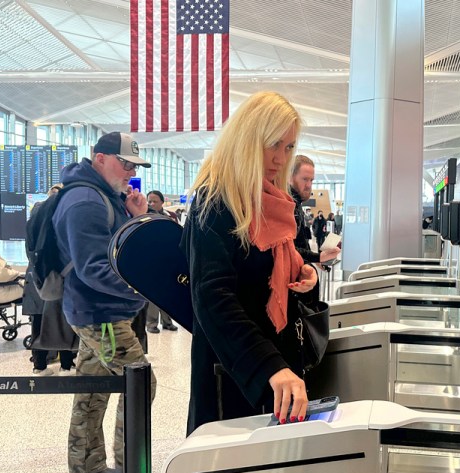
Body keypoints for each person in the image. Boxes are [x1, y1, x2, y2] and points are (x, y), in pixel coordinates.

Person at [182, 91, 319, 434]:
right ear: (248, 138)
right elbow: (212, 297)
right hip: (236, 370)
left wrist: (306, 273)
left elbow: (288, 259)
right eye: (273, 144)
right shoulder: (216, 199)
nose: (280, 157)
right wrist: (268, 366)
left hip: (279, 366)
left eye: (288, 147)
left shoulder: (275, 199)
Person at [53, 132, 162, 473]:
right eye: (125, 163)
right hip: (100, 315)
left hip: (99, 311)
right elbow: (94, 267)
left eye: (135, 166)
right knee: (140, 383)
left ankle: (84, 466)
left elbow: (118, 250)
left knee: (93, 387)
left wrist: (137, 217)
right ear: (99, 158)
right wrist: (145, 287)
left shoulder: (104, 196)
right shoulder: (85, 201)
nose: (130, 173)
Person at [24, 184, 77, 376]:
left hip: (36, 278)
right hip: (55, 280)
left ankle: (40, 366)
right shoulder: (57, 224)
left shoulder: (34, 221)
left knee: (38, 323)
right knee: (62, 321)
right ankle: (66, 364)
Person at [289, 155, 340, 264]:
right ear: (290, 177)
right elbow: (287, 250)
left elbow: (300, 243)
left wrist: (315, 259)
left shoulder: (297, 204)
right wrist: (317, 257)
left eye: (311, 180)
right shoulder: (286, 205)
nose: (309, 185)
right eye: (305, 179)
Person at [144, 190, 179, 333]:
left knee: (168, 292)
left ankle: (167, 321)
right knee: (153, 293)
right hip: (151, 260)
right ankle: (151, 323)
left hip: (167, 259)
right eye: (149, 201)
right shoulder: (145, 216)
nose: (152, 204)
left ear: (162, 202)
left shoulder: (171, 216)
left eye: (155, 201)